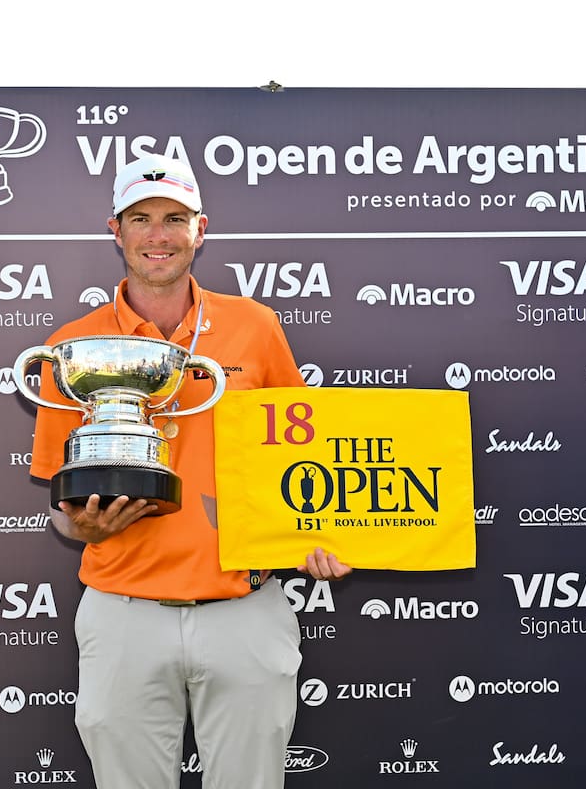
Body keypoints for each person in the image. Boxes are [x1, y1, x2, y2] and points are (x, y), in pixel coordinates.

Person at [29, 153, 351, 789]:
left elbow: (302, 457)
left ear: (200, 229)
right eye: (141, 218)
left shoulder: (255, 328)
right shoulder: (75, 346)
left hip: (244, 607)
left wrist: (326, 532)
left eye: (174, 218)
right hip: (123, 612)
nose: (158, 234)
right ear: (115, 230)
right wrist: (85, 530)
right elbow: (62, 508)